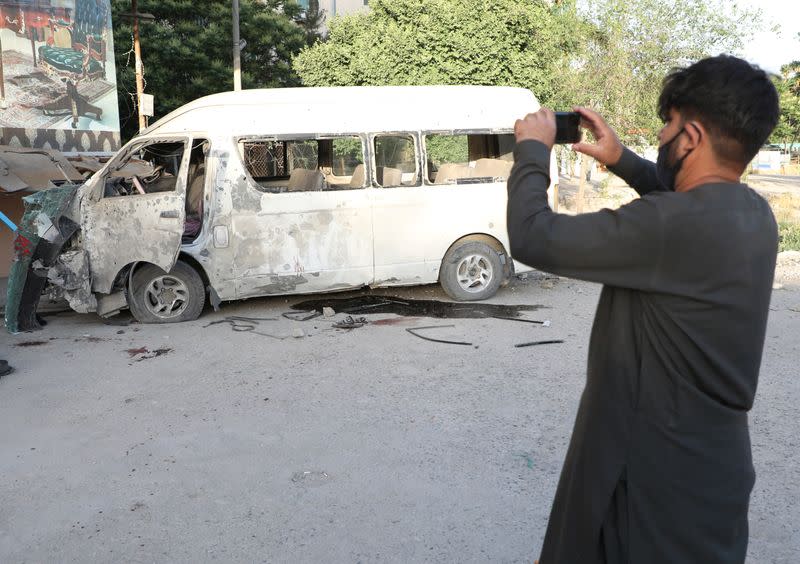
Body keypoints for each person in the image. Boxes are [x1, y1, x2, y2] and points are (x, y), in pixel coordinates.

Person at [507, 55, 780, 563]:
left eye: (668, 124)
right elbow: (685, 203)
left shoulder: (669, 226)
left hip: (649, 477)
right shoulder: (753, 214)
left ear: (691, 137)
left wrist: (530, 152)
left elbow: (532, 236)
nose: (660, 135)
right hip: (711, 472)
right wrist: (622, 160)